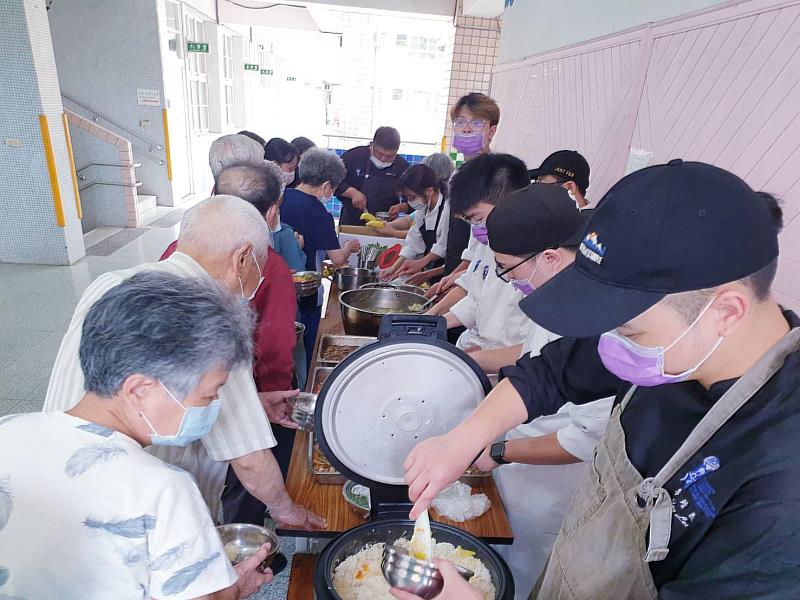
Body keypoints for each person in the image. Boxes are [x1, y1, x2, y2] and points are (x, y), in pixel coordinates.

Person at [403, 163, 800, 598]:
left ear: (726, 312)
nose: (607, 343)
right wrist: (462, 440)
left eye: (627, 330)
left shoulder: (781, 482)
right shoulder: (674, 340)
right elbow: (550, 372)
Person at [44, 196, 325, 532]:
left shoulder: (111, 283)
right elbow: (249, 459)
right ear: (243, 259)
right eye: (260, 266)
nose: (260, 278)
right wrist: (286, 510)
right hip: (140, 515)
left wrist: (254, 403)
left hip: (58, 479)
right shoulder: (210, 321)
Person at [0, 271, 272, 599]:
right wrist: (232, 589)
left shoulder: (8, 428)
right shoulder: (161, 489)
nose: (213, 408)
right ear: (140, 390)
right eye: (209, 395)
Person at [461, 186, 613, 598]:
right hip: (514, 453)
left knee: (523, 570)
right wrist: (470, 362)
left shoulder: (599, 318)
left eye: (509, 268)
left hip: (552, 484)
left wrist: (499, 450)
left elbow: (584, 440)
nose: (508, 282)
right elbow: (535, 358)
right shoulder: (556, 293)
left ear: (548, 257)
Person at [425, 154, 533, 353]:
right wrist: (430, 323)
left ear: (511, 203)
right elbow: (476, 299)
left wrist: (480, 358)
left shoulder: (536, 259)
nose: (475, 227)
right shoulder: (488, 241)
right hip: (474, 348)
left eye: (477, 218)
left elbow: (531, 347)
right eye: (469, 220)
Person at [281, 148, 360, 364]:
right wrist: (348, 247)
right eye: (333, 189)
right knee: (303, 350)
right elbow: (338, 259)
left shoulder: (281, 197)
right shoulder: (319, 213)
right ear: (326, 186)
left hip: (279, 287)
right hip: (305, 293)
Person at [439, 92, 502, 294]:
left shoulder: (494, 177)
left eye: (476, 124)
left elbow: (482, 244)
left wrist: (459, 278)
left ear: (491, 131)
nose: (466, 129)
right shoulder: (459, 171)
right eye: (461, 122)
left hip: (475, 277)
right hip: (456, 268)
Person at [378, 165, 450, 284]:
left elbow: (442, 247)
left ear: (429, 191)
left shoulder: (447, 209)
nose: (410, 202)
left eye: (412, 197)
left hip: (446, 271)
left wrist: (420, 263)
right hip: (430, 271)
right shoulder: (423, 209)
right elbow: (413, 244)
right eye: (407, 198)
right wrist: (393, 269)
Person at [335, 126, 410, 225]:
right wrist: (351, 192)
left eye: (389, 156)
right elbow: (332, 181)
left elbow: (415, 198)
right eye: (379, 154)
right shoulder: (353, 157)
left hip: (386, 225)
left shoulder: (402, 167)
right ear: (371, 145)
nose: (383, 159)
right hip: (350, 221)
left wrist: (402, 207)